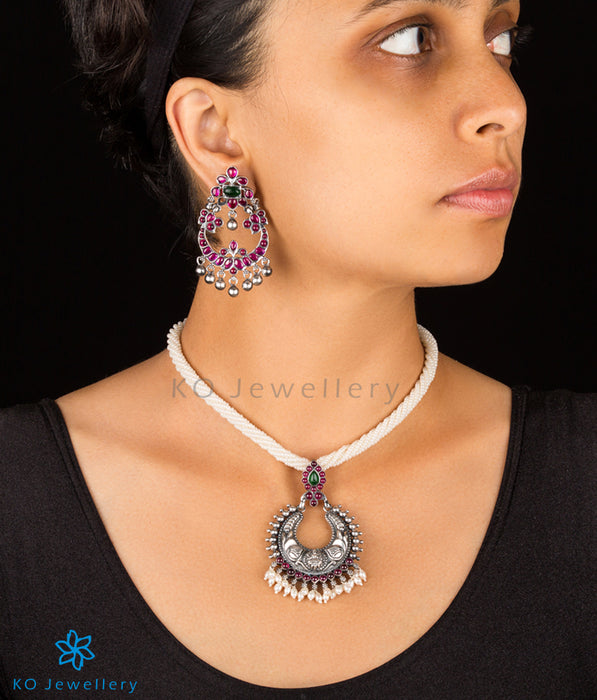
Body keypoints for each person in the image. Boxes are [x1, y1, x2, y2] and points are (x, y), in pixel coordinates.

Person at [1, 0, 595, 697]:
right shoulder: (16, 507)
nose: (505, 106)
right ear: (215, 130)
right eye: (409, 39)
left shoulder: (581, 484)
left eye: (499, 39)